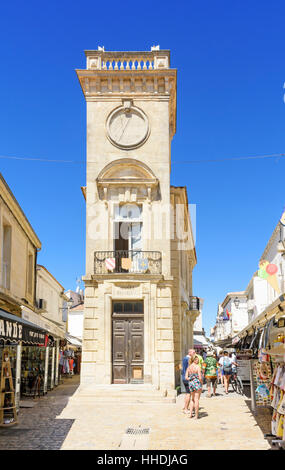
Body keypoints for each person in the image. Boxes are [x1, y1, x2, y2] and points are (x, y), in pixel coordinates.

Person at [185, 355, 203, 419]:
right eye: (197, 359)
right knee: (196, 399)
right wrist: (201, 383)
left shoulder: (189, 367)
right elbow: (200, 377)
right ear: (194, 360)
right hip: (197, 383)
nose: (198, 360)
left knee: (192, 399)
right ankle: (196, 415)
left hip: (191, 383)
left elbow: (186, 377)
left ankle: (190, 414)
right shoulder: (197, 367)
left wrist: (191, 378)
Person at [181, 349, 191, 414]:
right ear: (190, 353)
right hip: (188, 378)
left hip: (184, 377)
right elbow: (188, 369)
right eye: (193, 352)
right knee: (188, 394)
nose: (195, 353)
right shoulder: (188, 359)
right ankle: (186, 409)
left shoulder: (184, 358)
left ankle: (185, 407)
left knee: (187, 393)